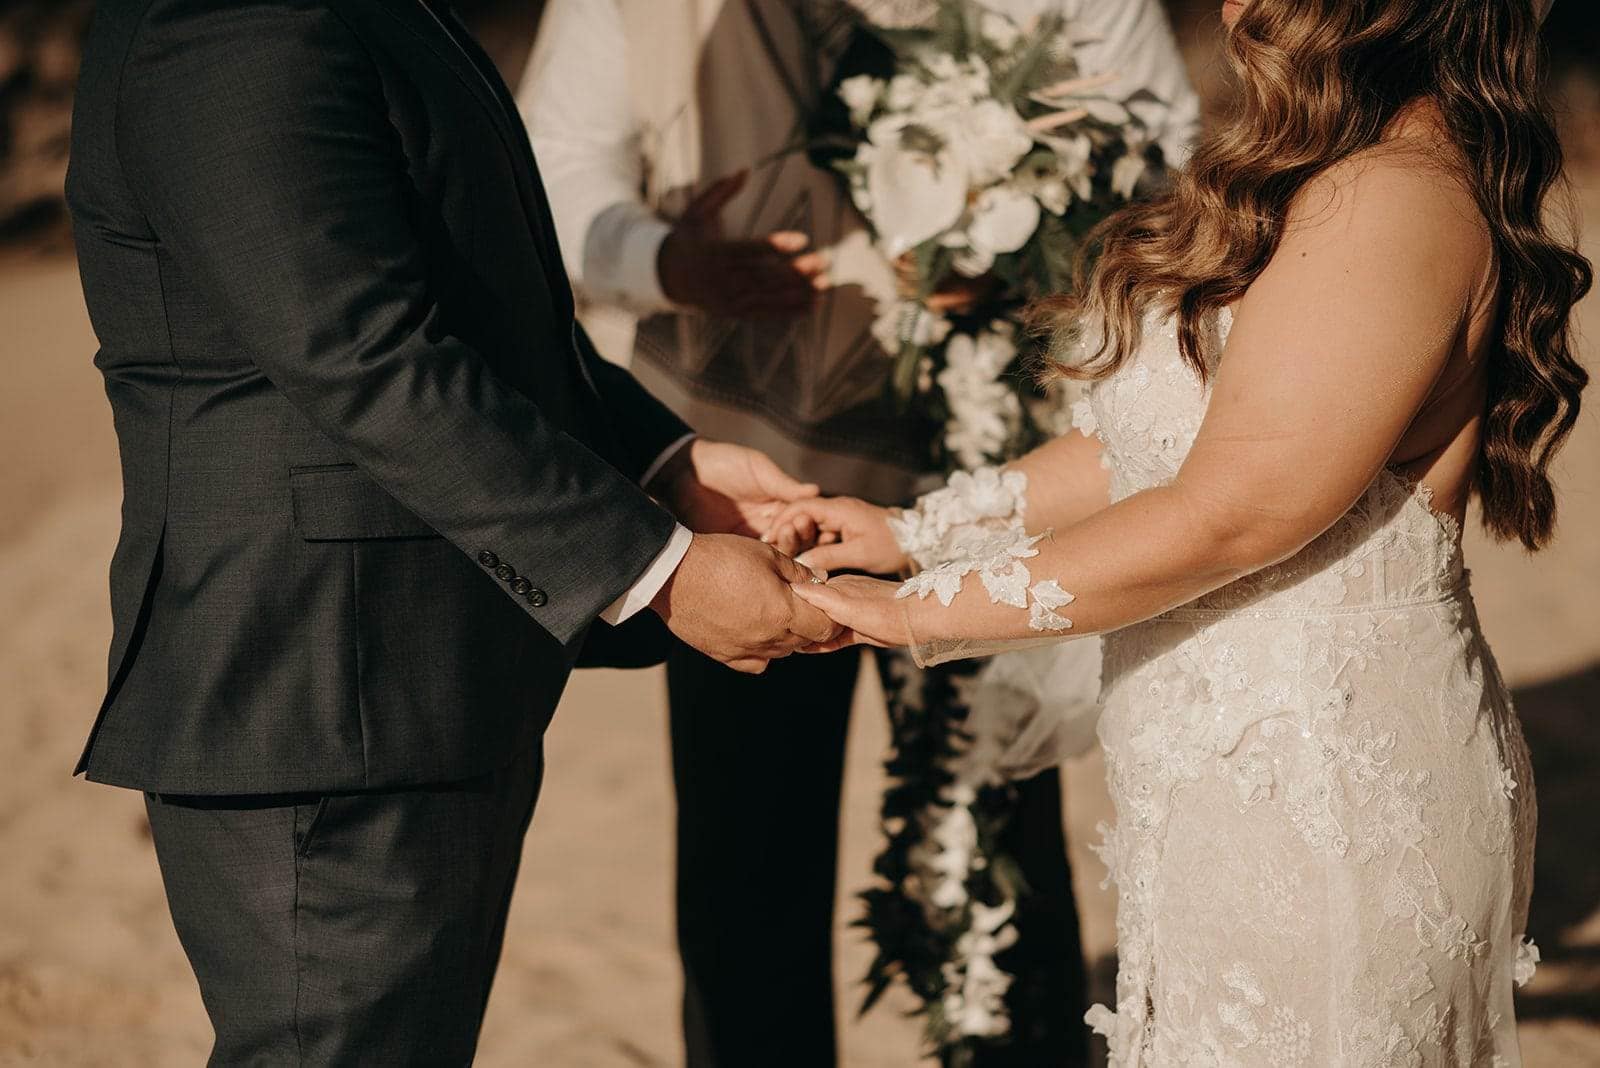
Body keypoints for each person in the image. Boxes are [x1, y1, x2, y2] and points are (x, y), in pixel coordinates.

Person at [770, 0, 1586, 1061]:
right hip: (1228, 790)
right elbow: (1163, 446)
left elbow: (1232, 511)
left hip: (1323, 788)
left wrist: (907, 615)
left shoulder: (1392, 196)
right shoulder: (1324, 167)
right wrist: (916, 530)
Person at [65, 0, 840, 1060]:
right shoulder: (231, 26)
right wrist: (654, 569)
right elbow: (365, 357)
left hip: (416, 677)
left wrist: (670, 461)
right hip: (318, 695)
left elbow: (483, 314)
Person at [519, 2, 1198, 1064]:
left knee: (998, 845)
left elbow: (1168, 156)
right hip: (748, 494)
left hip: (994, 476)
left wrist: (1041, 245)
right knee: (748, 859)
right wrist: (664, 261)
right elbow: (550, 170)